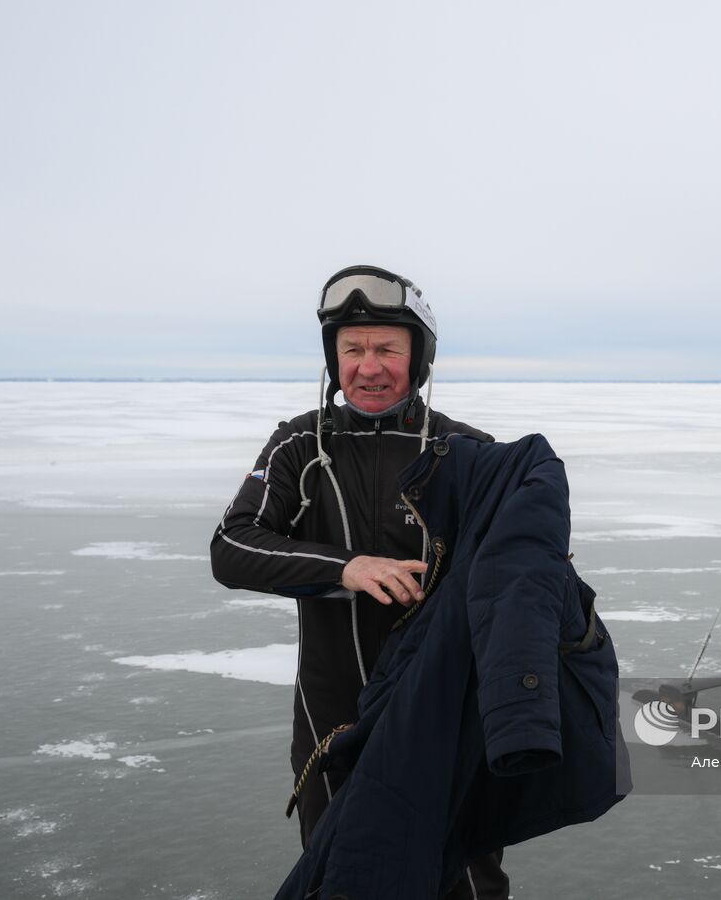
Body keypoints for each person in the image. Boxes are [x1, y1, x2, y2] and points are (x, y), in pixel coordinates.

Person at [210, 265, 508, 896]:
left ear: (418, 357)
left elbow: (523, 578)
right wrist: (345, 567)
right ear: (333, 358)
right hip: (331, 730)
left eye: (387, 349)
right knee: (337, 881)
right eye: (352, 350)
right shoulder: (300, 446)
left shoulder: (470, 453)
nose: (368, 368)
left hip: (447, 723)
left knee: (465, 885)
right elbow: (232, 547)